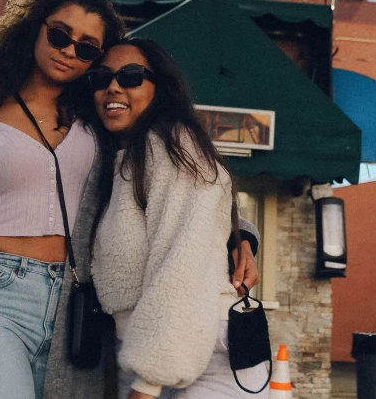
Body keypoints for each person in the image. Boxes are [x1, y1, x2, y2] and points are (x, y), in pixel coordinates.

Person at [0, 0, 259, 399]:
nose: (69, 50)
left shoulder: (102, 126)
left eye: (87, 48)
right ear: (34, 28)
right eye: (60, 34)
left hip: (76, 307)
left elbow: (184, 198)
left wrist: (241, 235)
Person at [89, 38, 269, 399]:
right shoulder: (124, 155)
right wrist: (242, 237)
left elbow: (183, 260)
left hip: (194, 356)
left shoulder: (173, 145)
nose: (113, 85)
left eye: (131, 76)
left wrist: (149, 382)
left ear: (161, 87)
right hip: (152, 352)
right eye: (101, 76)